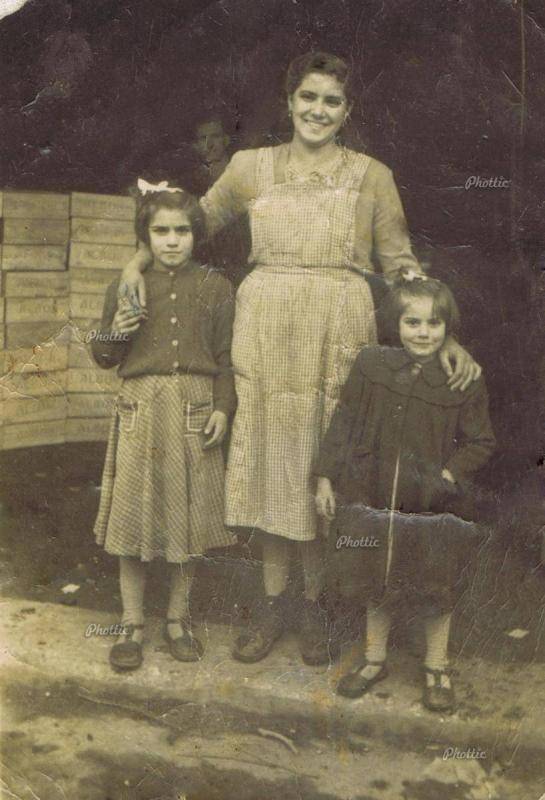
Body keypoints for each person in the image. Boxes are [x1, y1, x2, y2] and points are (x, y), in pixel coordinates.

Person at [120, 52, 480, 667]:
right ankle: (270, 609)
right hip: (266, 329)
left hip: (337, 330)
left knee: (322, 468)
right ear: (289, 103)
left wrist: (445, 336)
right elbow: (188, 224)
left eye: (331, 101)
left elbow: (400, 264)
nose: (318, 110)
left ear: (347, 110)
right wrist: (135, 262)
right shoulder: (249, 166)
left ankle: (315, 610)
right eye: (307, 97)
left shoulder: (372, 175)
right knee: (272, 468)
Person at [315, 272, 495, 712]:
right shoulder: (372, 366)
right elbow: (344, 421)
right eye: (412, 322)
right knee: (376, 574)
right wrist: (324, 477)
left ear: (448, 328)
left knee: (436, 581)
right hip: (374, 493)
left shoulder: (461, 379)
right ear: (395, 323)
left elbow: (481, 441)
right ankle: (374, 659)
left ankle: (437, 666)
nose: (423, 333)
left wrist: (449, 475)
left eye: (434, 323)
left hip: (432, 503)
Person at [92, 182, 236, 672]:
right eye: (160, 231)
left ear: (196, 234)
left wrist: (223, 408)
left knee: (187, 521)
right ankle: (131, 623)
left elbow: (225, 358)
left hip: (194, 407)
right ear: (145, 235)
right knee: (132, 520)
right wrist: (117, 332)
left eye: (182, 231)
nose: (172, 241)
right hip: (141, 409)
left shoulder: (216, 287)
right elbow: (104, 356)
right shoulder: (126, 284)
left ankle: (177, 619)